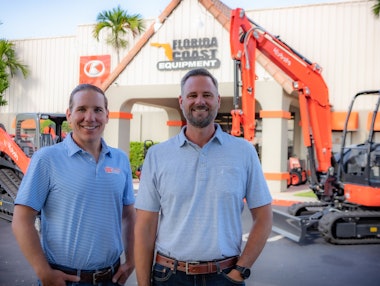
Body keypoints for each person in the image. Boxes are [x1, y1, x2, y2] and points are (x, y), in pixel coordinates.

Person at [134, 68, 273, 286]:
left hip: (225, 276)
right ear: (181, 101)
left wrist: (240, 271)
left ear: (218, 100)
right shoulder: (157, 155)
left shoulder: (243, 152)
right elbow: (145, 226)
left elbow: (264, 217)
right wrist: (143, 284)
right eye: (192, 95)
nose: (200, 101)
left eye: (207, 95)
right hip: (170, 277)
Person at [12, 83, 136, 286]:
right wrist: (43, 272)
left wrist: (131, 259)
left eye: (97, 110)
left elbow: (129, 215)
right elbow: (21, 220)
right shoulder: (47, 159)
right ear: (69, 115)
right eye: (81, 109)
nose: (90, 117)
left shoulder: (120, 159)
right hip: (65, 279)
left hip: (111, 278)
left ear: (107, 116)